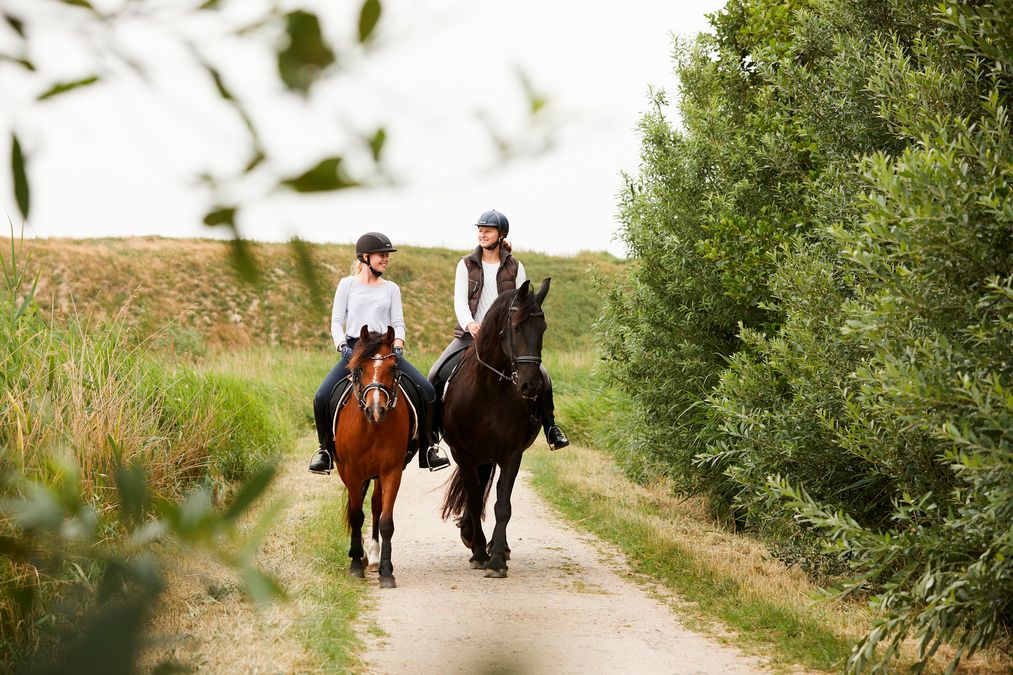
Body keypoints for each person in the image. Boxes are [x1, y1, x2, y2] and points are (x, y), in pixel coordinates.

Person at [427, 209, 569, 450]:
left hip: (505, 338)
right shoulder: (466, 264)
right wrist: (470, 324)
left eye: (488, 230)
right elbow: (460, 301)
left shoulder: (515, 267)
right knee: (435, 375)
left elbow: (522, 303)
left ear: (500, 234)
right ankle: (430, 440)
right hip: (470, 335)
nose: (482, 234)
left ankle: (551, 428)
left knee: (542, 375)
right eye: (480, 230)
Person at [309, 232, 451, 474]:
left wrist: (398, 344)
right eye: (381, 255)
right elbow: (336, 322)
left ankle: (429, 448)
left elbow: (398, 322)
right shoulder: (347, 285)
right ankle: (324, 451)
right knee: (321, 397)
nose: (386, 259)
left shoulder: (391, 288)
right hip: (355, 349)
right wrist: (342, 345)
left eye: (387, 255)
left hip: (386, 350)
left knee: (427, 391)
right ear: (365, 257)